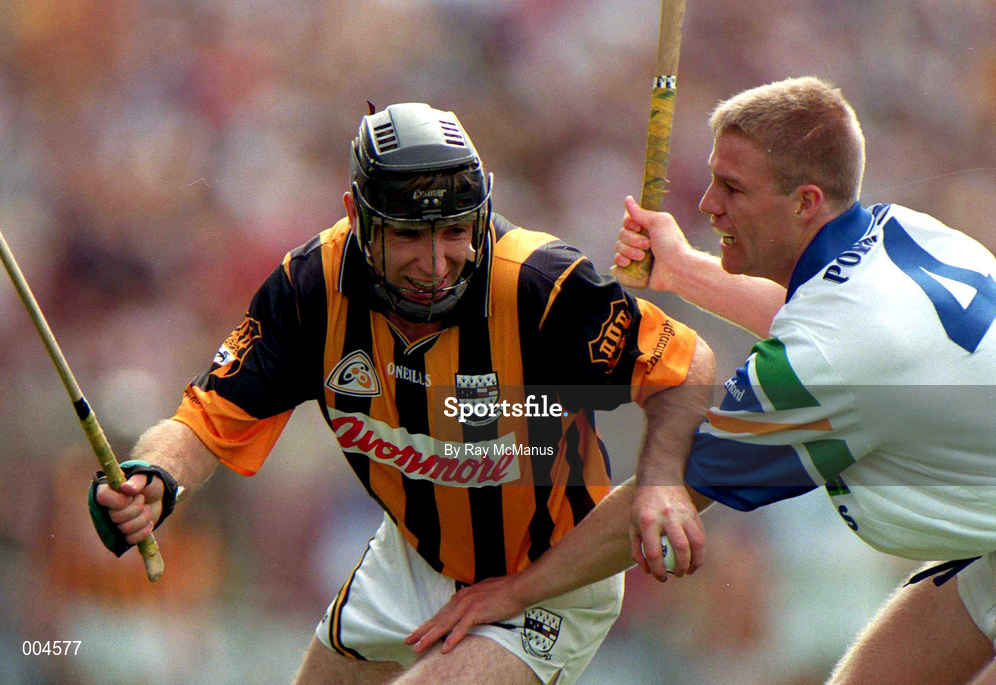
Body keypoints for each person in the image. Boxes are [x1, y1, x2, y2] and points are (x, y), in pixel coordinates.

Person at [87, 101, 715, 685]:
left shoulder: (540, 285)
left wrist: (660, 481)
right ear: (358, 218)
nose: (437, 263)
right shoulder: (310, 291)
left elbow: (686, 367)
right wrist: (154, 478)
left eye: (452, 232)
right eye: (409, 236)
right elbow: (207, 419)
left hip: (551, 576)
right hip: (412, 562)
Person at [406, 77, 996, 685]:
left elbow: (678, 490)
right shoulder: (900, 230)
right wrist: (685, 271)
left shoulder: (829, 355)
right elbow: (816, 322)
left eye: (733, 189)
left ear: (806, 203)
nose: (708, 204)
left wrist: (514, 592)